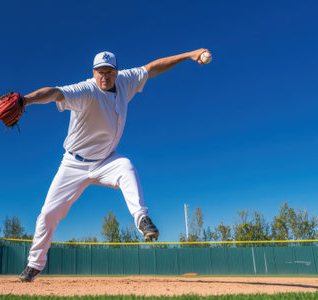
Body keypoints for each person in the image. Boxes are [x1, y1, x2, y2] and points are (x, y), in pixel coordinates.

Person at [19, 48, 210, 282]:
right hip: (74, 164)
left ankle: (142, 219)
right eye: (100, 71)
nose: (104, 77)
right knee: (48, 213)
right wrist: (26, 100)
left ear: (117, 73)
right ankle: (34, 265)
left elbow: (153, 67)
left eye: (109, 72)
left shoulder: (127, 81)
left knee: (126, 166)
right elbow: (56, 93)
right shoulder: (86, 89)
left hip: (107, 160)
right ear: (93, 72)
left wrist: (188, 55)